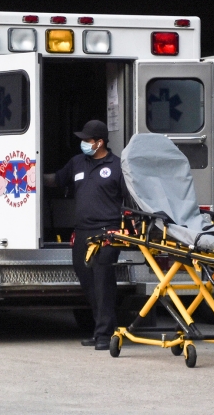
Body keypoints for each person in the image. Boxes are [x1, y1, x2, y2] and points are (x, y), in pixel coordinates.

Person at [44, 120, 126, 351]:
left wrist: (123, 229)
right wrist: (30, 174)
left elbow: (129, 199)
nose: (82, 143)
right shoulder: (77, 163)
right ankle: (102, 328)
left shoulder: (118, 166)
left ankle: (104, 334)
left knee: (103, 284)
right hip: (82, 233)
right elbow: (56, 180)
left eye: (87, 140)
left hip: (107, 233)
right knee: (87, 282)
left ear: (99, 142)